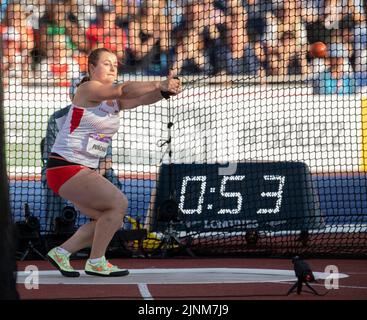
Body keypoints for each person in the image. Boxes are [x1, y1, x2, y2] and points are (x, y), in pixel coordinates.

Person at [45, 47, 182, 277]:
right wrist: (159, 83)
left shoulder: (113, 101)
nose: (112, 67)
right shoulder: (88, 88)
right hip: (65, 167)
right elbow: (123, 89)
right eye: (106, 63)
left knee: (109, 217)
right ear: (91, 68)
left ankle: (61, 252)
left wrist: (166, 91)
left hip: (77, 170)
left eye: (115, 64)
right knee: (119, 203)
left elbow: (140, 99)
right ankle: (96, 261)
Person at [41, 77, 122, 233]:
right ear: (72, 97)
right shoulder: (57, 119)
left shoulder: (101, 119)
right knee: (50, 180)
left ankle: (109, 231)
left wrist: (92, 177)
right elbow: (51, 159)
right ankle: (56, 231)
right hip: (62, 170)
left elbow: (107, 160)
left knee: (110, 178)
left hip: (92, 171)